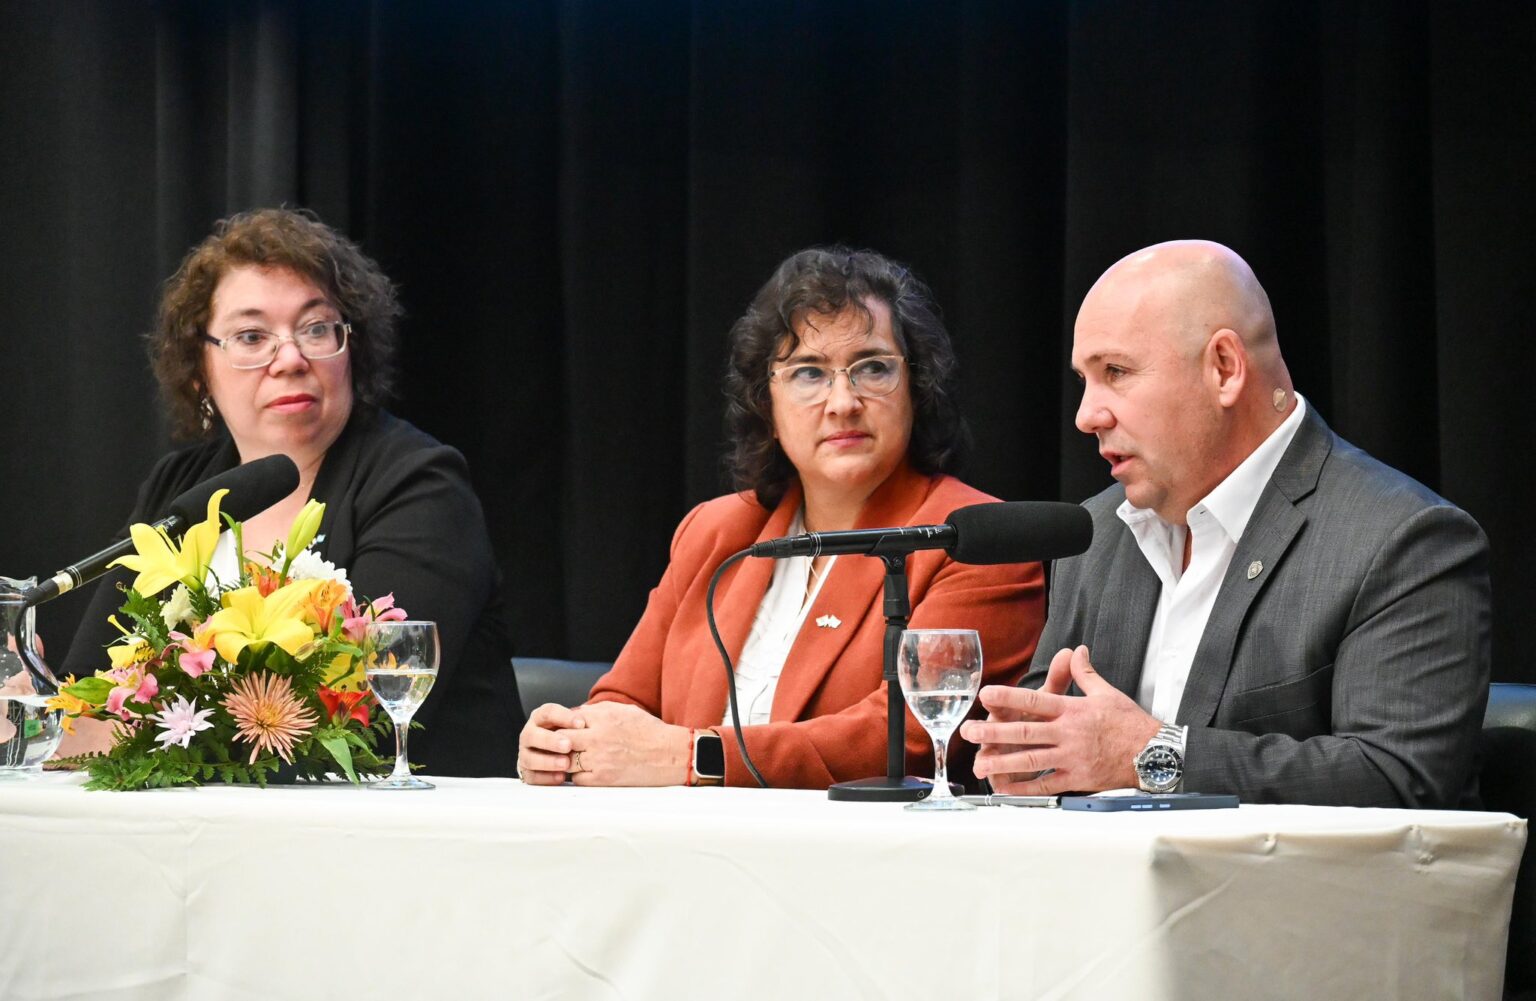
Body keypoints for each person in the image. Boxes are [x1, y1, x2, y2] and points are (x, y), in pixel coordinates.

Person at [961, 240, 1490, 808]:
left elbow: (1401, 780)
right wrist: (1027, 756)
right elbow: (1052, 745)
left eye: (1116, 371)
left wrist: (1154, 756)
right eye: (1085, 380)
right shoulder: (1095, 533)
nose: (1087, 416)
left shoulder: (1404, 539)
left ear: (1225, 368)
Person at [518, 247, 1045, 788]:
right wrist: (568, 741)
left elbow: (908, 740)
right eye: (809, 373)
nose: (843, 401)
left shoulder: (973, 536)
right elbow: (624, 700)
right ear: (766, 406)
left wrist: (696, 756)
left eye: (872, 368)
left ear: (917, 389)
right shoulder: (715, 530)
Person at [60, 208, 521, 777]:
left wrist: (133, 725)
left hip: (411, 834)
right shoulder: (179, 489)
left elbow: (357, 714)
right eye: (252, 337)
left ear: (352, 346)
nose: (291, 359)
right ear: (200, 370)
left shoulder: (420, 484)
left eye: (315, 328)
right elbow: (82, 694)